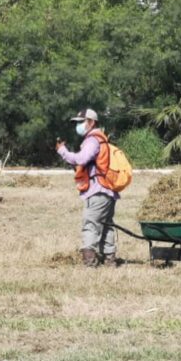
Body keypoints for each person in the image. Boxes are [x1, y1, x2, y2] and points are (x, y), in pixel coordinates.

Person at [56, 109, 120, 268]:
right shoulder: (101, 139)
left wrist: (62, 151)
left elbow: (82, 159)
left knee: (90, 224)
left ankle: (90, 262)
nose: (78, 125)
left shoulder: (93, 140)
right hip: (108, 191)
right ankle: (109, 260)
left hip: (98, 191)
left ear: (91, 122)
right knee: (106, 226)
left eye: (80, 122)